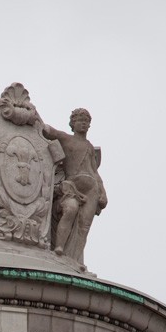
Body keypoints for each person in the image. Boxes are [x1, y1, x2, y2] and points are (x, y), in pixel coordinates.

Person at [40, 108, 107, 262]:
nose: (84, 124)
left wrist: (103, 192)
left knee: (84, 226)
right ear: (73, 123)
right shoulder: (67, 139)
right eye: (81, 121)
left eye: (87, 122)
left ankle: (75, 259)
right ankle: (59, 248)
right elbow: (49, 130)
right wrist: (35, 116)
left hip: (92, 189)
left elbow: (95, 172)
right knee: (70, 209)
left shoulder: (89, 147)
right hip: (73, 185)